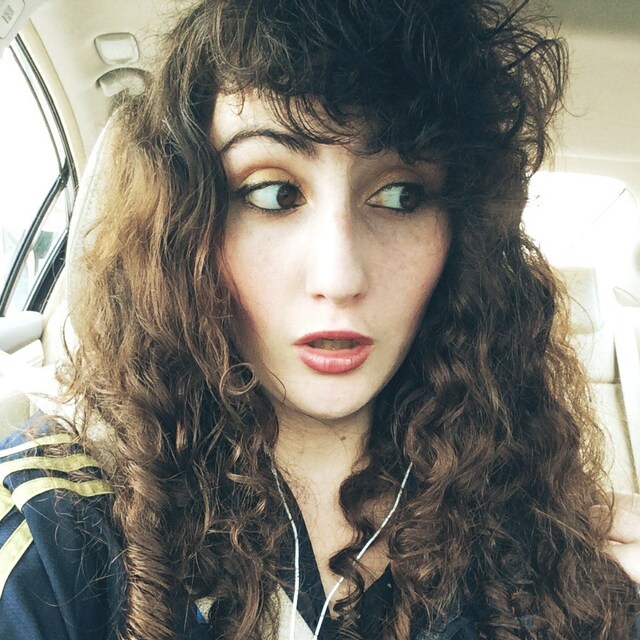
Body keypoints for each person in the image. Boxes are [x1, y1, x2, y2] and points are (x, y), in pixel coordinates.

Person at [0, 0, 639, 638]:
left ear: (462, 236)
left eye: (400, 196)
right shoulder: (52, 527)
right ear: (186, 230)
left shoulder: (544, 531)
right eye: (274, 194)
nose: (339, 277)